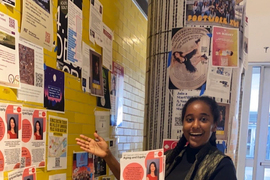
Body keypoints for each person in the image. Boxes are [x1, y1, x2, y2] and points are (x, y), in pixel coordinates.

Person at [75, 96, 237, 180]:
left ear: (214, 125)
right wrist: (108, 156)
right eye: (189, 119)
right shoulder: (171, 158)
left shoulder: (221, 166)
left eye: (203, 119)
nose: (195, 125)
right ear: (183, 124)